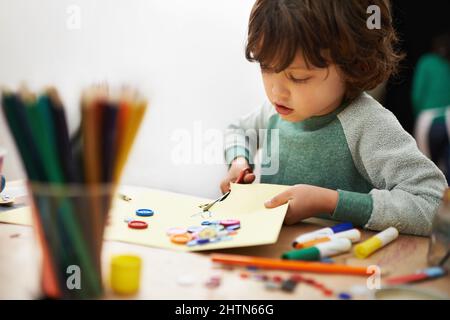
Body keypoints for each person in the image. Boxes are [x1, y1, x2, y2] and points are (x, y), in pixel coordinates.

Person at [221, 0, 447, 236]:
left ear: (355, 66)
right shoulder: (275, 111)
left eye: (298, 77)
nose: (276, 92)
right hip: (273, 261)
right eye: (266, 67)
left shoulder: (366, 124)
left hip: (346, 264)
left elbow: (434, 204)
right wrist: (238, 160)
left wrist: (330, 202)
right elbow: (237, 130)